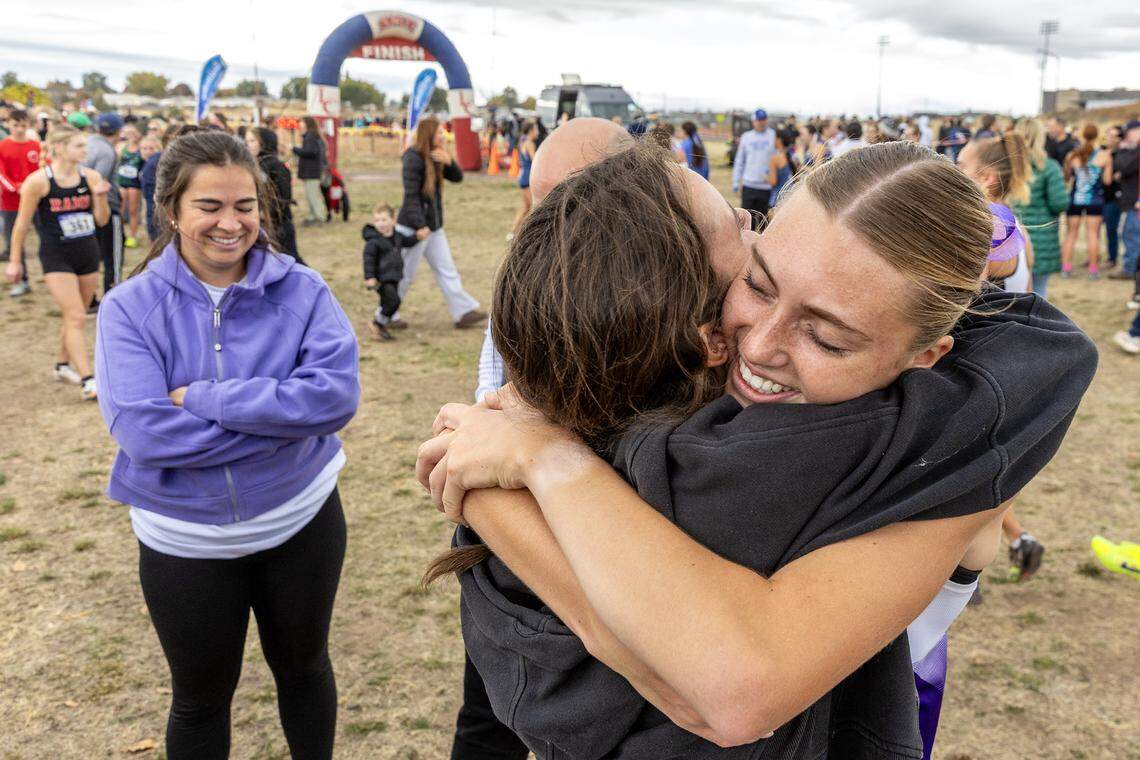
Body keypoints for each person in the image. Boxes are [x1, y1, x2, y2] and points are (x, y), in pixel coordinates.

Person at [420, 142, 1095, 758]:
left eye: (828, 338)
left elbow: (726, 692)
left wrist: (533, 470)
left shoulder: (938, 455)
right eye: (759, 281)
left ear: (928, 357)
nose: (760, 345)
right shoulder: (653, 426)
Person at [93, 130, 359, 759]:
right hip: (185, 542)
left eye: (244, 205)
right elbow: (143, 431)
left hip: (302, 522)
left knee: (305, 671)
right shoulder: (128, 309)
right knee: (200, 701)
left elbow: (333, 400)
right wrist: (280, 423)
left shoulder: (303, 290)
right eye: (208, 206)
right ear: (172, 212)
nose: (230, 223)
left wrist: (207, 399)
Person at [4, 126, 109, 400]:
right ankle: (88, 380)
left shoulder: (91, 176)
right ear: (60, 148)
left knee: (75, 314)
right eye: (78, 146)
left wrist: (99, 197)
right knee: (76, 316)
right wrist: (15, 261)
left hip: (87, 251)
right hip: (56, 255)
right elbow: (22, 225)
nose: (85, 151)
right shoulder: (38, 182)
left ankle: (62, 365)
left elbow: (102, 220)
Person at [393, 116, 485, 330]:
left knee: (447, 270)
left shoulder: (436, 156)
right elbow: (411, 197)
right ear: (429, 135)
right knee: (404, 274)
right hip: (415, 228)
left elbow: (458, 178)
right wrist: (419, 226)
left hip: (433, 227)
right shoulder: (412, 158)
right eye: (439, 133)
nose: (443, 136)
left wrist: (449, 161)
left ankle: (462, 313)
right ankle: (386, 315)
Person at [1011, 118, 1068, 298]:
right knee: (1038, 293)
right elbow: (1059, 203)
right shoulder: (1049, 167)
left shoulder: (1007, 166)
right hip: (1041, 237)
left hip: (1010, 237)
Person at [1060, 124, 1112, 279]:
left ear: (1081, 136)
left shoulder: (1072, 155)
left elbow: (1066, 177)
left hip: (1075, 200)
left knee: (1071, 234)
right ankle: (1093, 270)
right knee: (1092, 235)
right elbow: (1108, 181)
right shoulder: (1104, 155)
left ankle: (1066, 268)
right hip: (1095, 200)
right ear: (1097, 136)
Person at [0, 108, 41, 297]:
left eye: (23, 125)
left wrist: (36, 189)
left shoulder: (35, 145)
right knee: (15, 241)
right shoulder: (2, 146)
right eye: (15, 125)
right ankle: (22, 281)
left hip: (39, 202)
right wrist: (18, 187)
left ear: (28, 125)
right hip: (11, 203)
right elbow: (1, 175)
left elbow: (42, 168)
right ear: (8, 124)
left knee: (49, 236)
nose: (18, 129)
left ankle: (56, 272)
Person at [85, 112, 125, 299]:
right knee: (113, 255)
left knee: (91, 254)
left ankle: (89, 297)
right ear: (117, 131)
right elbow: (97, 182)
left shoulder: (87, 143)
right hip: (106, 207)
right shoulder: (106, 151)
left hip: (86, 208)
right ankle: (112, 296)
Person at [245, 126, 300, 261]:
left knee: (290, 260)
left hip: (279, 224)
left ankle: (312, 282)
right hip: (262, 224)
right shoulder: (254, 164)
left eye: (252, 141)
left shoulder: (276, 165)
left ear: (264, 142)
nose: (248, 145)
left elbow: (284, 197)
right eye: (247, 142)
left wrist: (266, 213)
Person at [362, 202, 405, 341]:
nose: (381, 224)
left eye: (384, 220)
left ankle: (380, 328)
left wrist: (417, 236)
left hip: (394, 277)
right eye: (377, 220)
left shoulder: (397, 236)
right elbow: (368, 260)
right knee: (394, 301)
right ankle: (378, 323)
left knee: (387, 303)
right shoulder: (373, 242)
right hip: (381, 279)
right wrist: (370, 277)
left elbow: (408, 241)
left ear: (393, 220)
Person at [1108, 120, 1140, 303]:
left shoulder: (1135, 150)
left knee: (1132, 236)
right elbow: (1120, 166)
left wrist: (1125, 150)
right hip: (1131, 201)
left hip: (1134, 203)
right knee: (1130, 235)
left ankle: (1130, 269)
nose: (1126, 137)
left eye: (1128, 133)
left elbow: (1124, 167)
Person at [731, 108, 776, 226]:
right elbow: (739, 161)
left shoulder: (773, 136)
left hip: (766, 187)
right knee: (746, 223)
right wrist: (736, 183)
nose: (761, 123)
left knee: (763, 224)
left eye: (764, 120)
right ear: (753, 121)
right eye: (759, 120)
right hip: (749, 186)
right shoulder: (746, 137)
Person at [293, 116, 327, 226]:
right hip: (311, 171)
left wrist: (295, 149)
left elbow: (310, 152)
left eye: (302, 122)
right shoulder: (311, 136)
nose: (300, 125)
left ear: (307, 123)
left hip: (311, 172)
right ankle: (313, 216)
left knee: (313, 196)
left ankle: (320, 217)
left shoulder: (310, 136)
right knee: (309, 196)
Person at [117, 123, 145, 249]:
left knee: (133, 210)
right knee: (120, 210)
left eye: (133, 133)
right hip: (122, 181)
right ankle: (120, 235)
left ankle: (132, 236)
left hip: (135, 183)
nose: (131, 136)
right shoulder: (122, 146)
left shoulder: (142, 148)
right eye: (128, 133)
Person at [1103, 125, 1125, 270]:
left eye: (1114, 136)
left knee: (1112, 229)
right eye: (1109, 135)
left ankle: (1112, 258)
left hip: (1115, 198)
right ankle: (1095, 257)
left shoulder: (1123, 154)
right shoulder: (1103, 151)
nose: (1110, 138)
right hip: (1100, 197)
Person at [512, 119, 539, 235]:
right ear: (531, 131)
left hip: (522, 176)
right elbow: (535, 161)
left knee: (526, 208)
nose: (537, 132)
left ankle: (513, 232)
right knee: (534, 207)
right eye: (536, 129)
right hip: (528, 178)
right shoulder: (529, 143)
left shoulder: (522, 141)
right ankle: (527, 233)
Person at [139, 135, 162, 241]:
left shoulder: (155, 163)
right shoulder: (145, 163)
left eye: (151, 148)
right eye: (144, 148)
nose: (147, 151)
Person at [766, 130, 794, 209]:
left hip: (777, 201)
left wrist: (765, 177)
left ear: (779, 140)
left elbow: (773, 181)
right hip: (790, 199)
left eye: (774, 138)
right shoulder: (793, 157)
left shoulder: (775, 159)